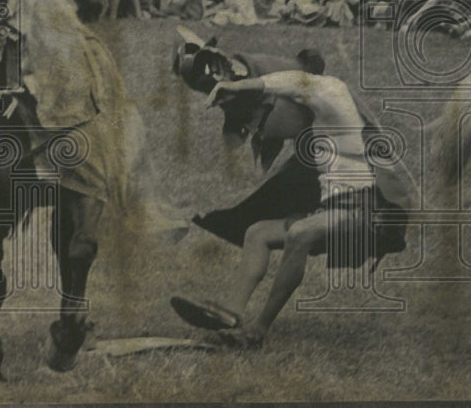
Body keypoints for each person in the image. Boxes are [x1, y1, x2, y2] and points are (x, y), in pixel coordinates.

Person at [170, 65, 410, 349]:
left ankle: (256, 332)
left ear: (283, 104)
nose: (260, 132)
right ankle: (229, 313)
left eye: (260, 123)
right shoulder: (315, 133)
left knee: (300, 232)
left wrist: (241, 86)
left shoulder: (335, 104)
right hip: (334, 214)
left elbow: (304, 82)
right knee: (258, 233)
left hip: (367, 215)